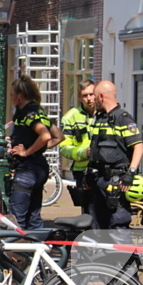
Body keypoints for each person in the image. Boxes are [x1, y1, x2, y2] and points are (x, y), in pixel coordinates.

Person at [86, 80, 143, 234]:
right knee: (97, 225)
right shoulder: (99, 118)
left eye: (94, 96)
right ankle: (102, 257)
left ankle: (124, 257)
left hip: (116, 182)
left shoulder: (123, 118)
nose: (91, 99)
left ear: (101, 96)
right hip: (99, 180)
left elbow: (138, 147)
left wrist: (130, 173)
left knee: (118, 224)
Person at [7, 75, 62, 230]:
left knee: (17, 219)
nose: (11, 99)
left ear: (20, 96)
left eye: (12, 95)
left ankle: (18, 252)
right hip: (39, 168)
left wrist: (27, 152)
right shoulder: (39, 111)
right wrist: (38, 149)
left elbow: (45, 136)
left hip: (27, 170)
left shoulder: (27, 114)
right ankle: (37, 249)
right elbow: (58, 136)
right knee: (34, 216)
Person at [59, 80, 96, 215]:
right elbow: (64, 147)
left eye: (92, 94)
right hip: (83, 171)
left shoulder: (106, 114)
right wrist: (83, 153)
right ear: (80, 97)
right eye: (85, 95)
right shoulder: (70, 117)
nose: (89, 99)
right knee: (88, 211)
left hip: (104, 169)